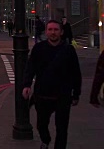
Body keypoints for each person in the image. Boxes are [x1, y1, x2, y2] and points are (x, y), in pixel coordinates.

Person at [22, 19, 82, 149]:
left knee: (62, 128)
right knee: (41, 125)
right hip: (43, 95)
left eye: (55, 30)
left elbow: (76, 73)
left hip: (63, 96)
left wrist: (76, 94)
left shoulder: (69, 50)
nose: (53, 32)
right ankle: (46, 139)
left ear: (61, 32)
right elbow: (30, 68)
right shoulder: (38, 48)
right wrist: (26, 85)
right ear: (46, 32)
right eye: (50, 30)